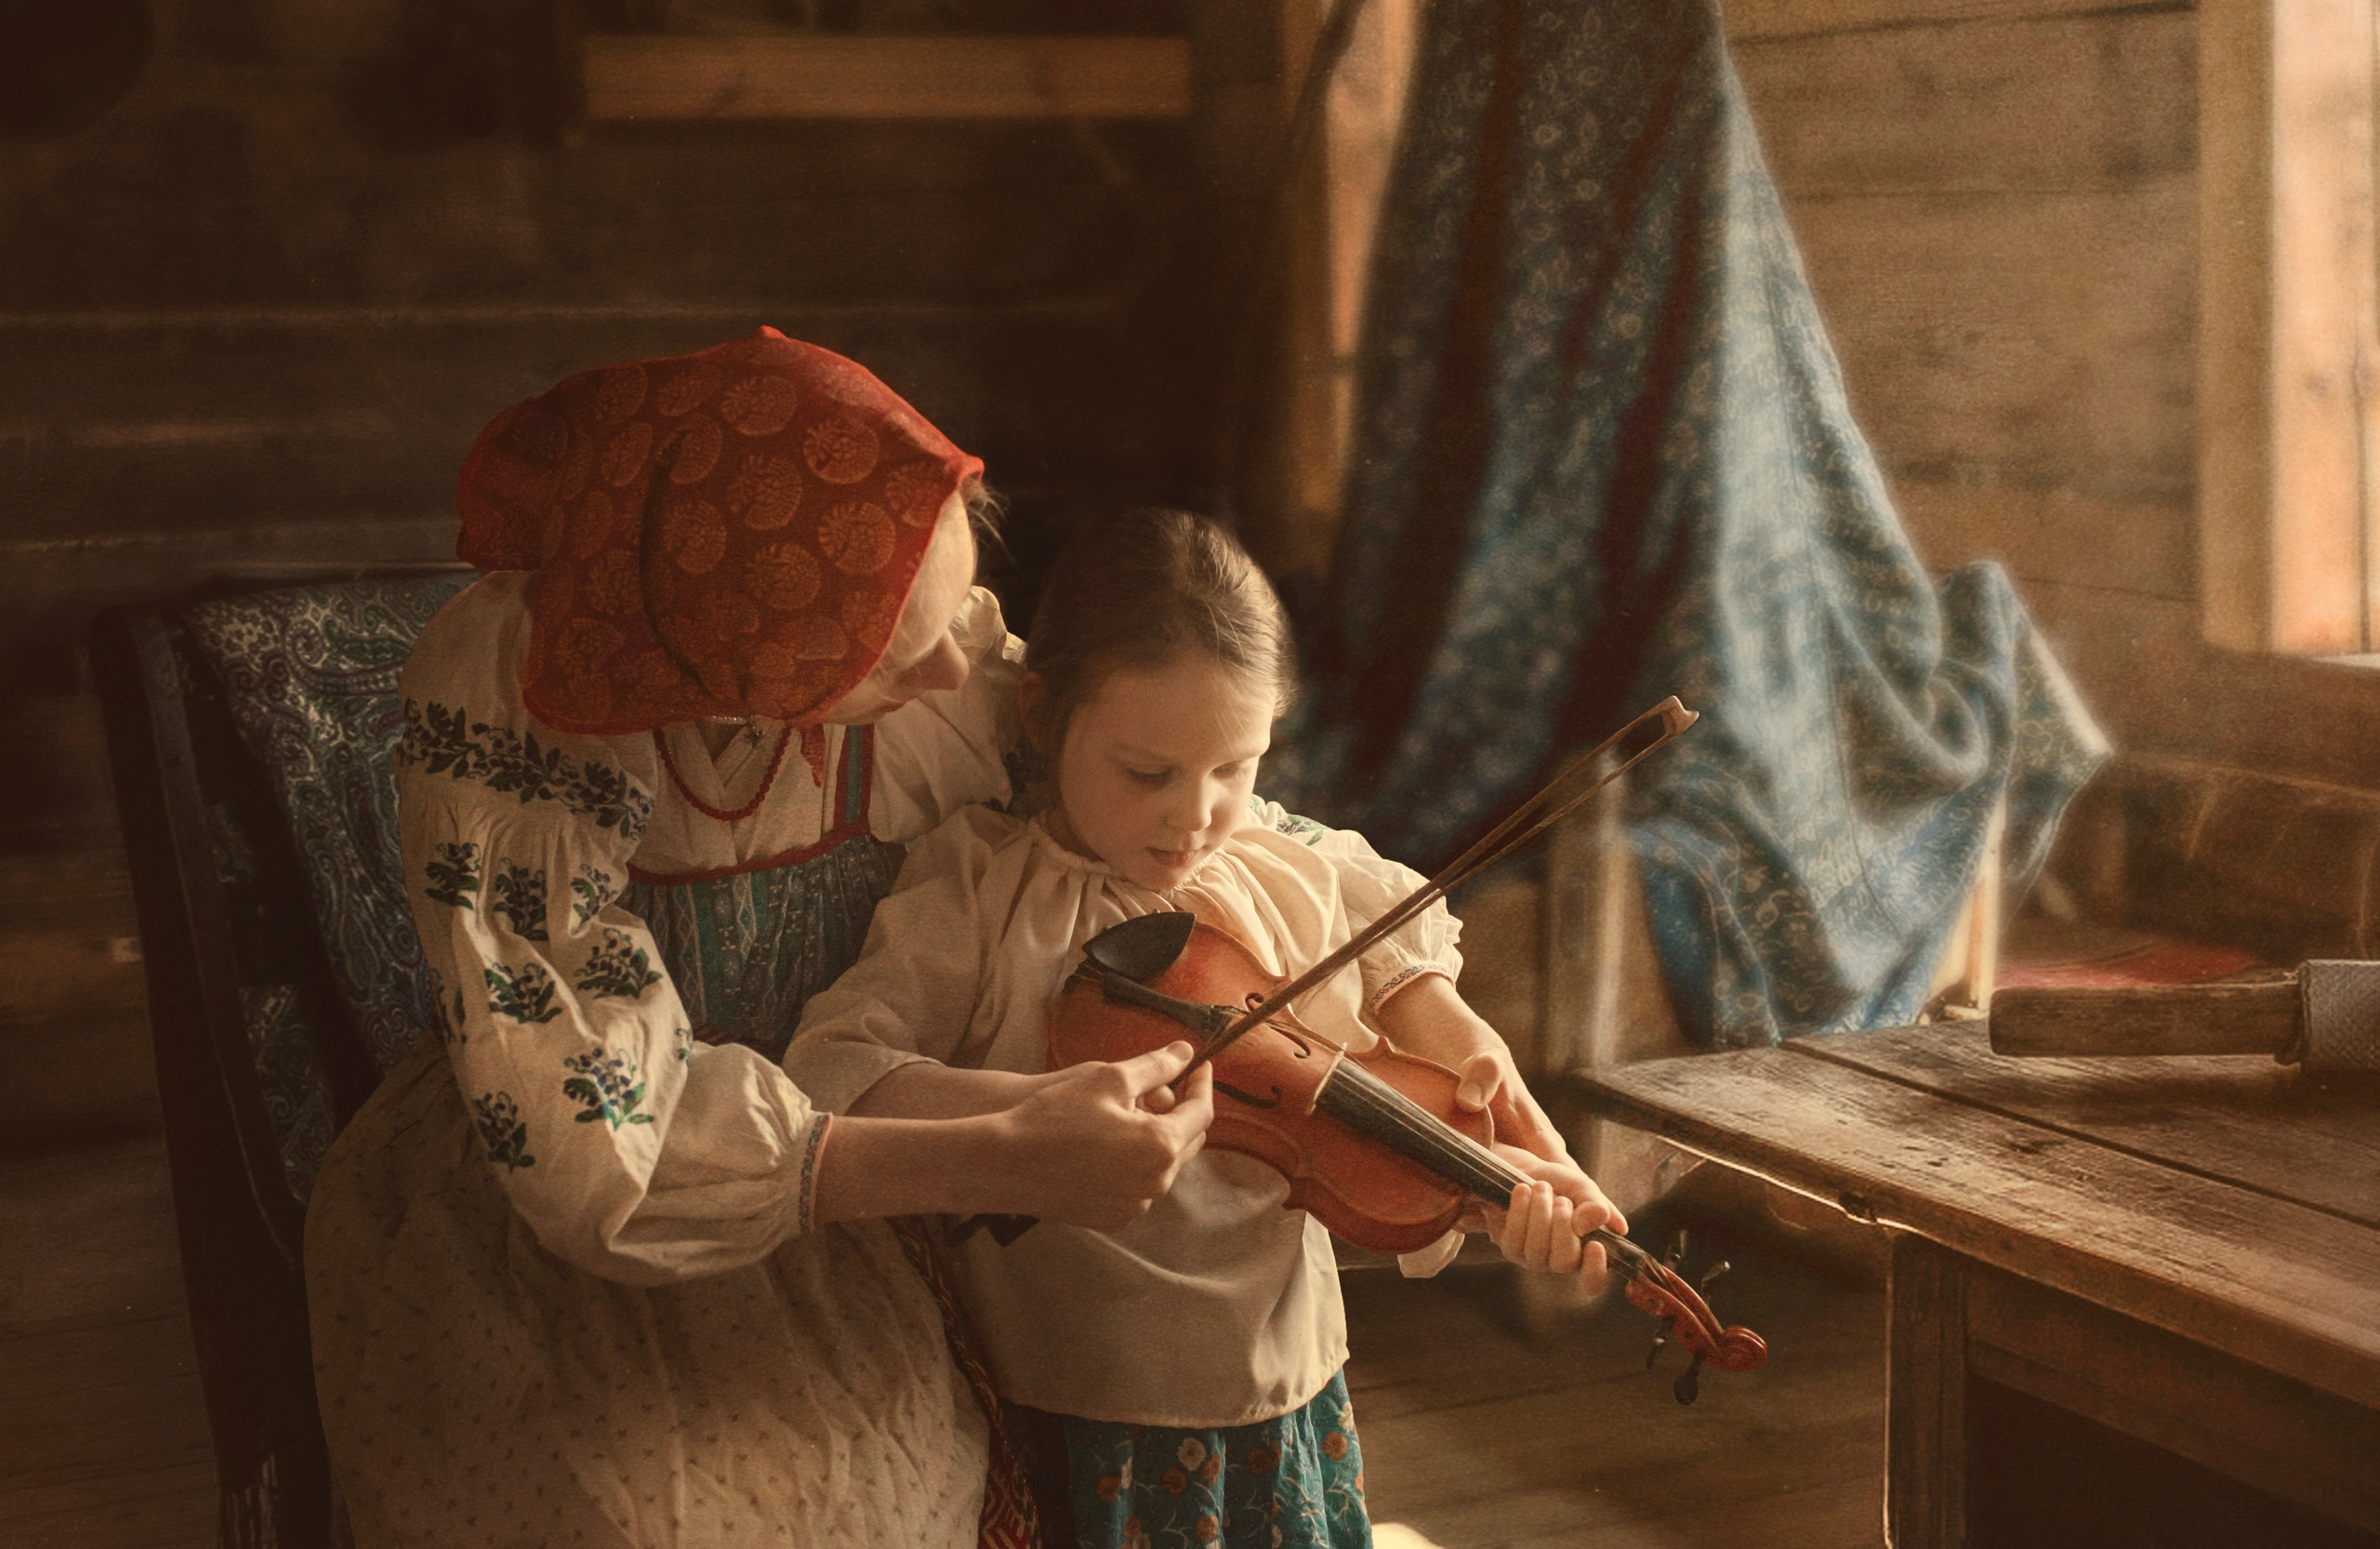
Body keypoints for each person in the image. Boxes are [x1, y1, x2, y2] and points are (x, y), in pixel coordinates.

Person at [305, 328, 1224, 1549]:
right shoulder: (516, 692)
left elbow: (1149, 790)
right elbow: (596, 1156)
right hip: (567, 1202)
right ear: (744, 653)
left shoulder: (927, 645)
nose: (966, 665)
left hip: (860, 1132)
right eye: (899, 654)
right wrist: (1001, 1155)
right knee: (624, 1514)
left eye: (956, 608)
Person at [786, 507, 1625, 1549]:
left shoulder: (1279, 865)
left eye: (1236, 768)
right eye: (1148, 773)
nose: (1196, 815)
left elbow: (1401, 951)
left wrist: (1508, 1179)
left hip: (1281, 1385)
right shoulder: (978, 887)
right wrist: (1024, 1120)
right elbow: (832, 1068)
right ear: (1043, 714)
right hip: (1066, 1390)